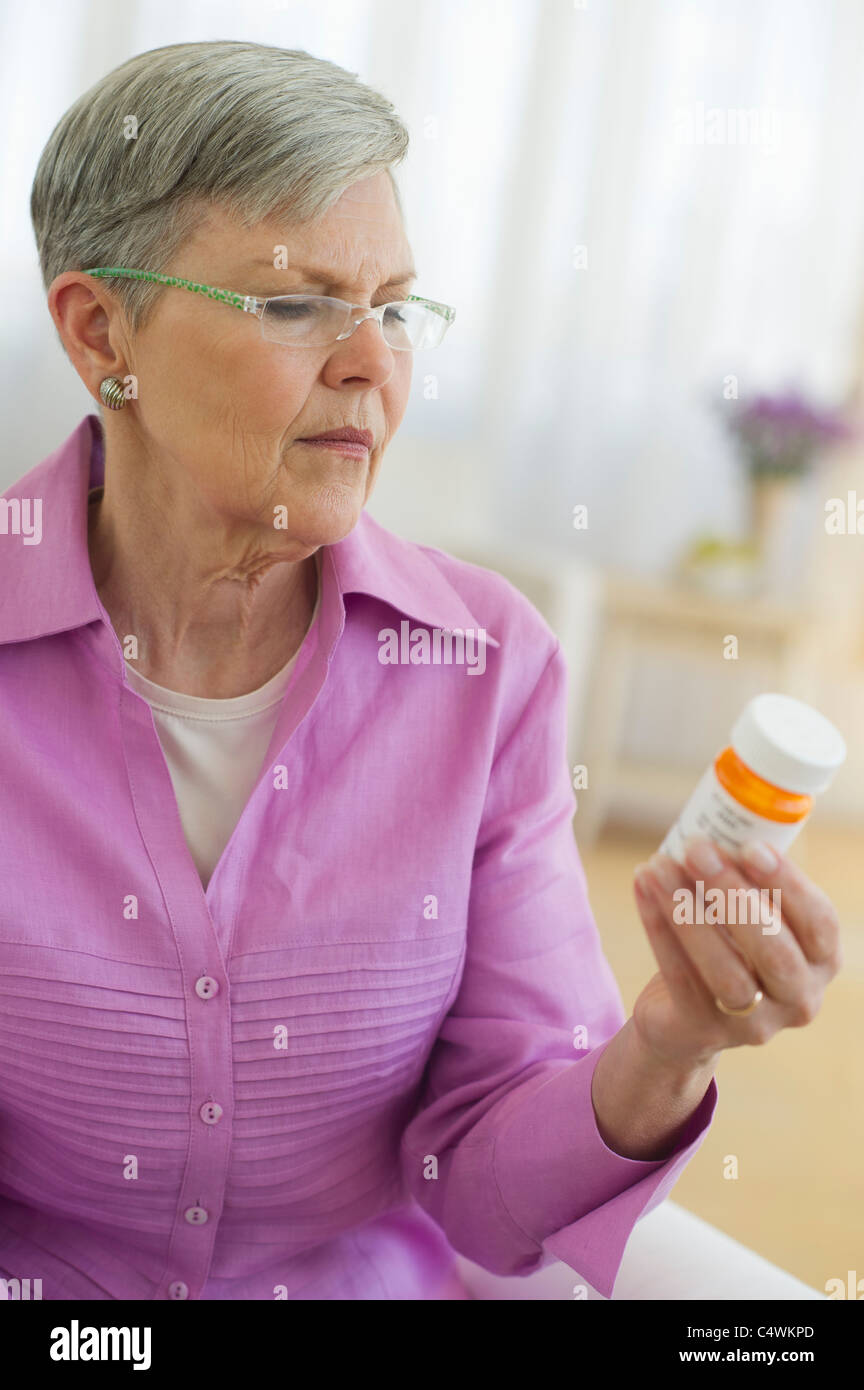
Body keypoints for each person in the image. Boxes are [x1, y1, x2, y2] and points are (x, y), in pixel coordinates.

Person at [0, 40, 841, 1301]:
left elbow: (493, 1197)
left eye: (392, 306)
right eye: (295, 303)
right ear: (100, 329)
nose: (371, 362)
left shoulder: (485, 672)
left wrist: (666, 1041)